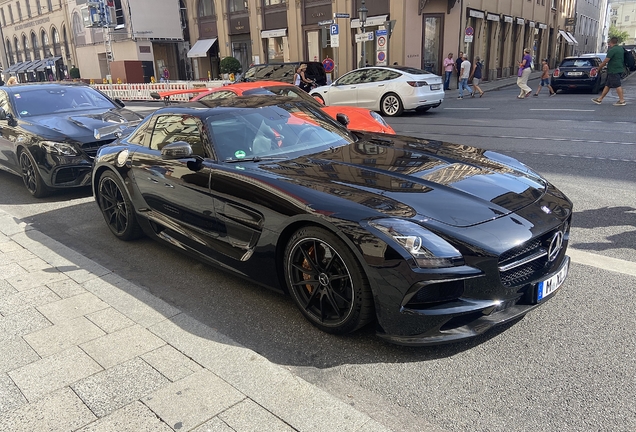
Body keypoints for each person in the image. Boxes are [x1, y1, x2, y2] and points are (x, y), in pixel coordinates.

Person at [592, 37, 626, 106]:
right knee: (607, 85)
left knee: (617, 85)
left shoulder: (612, 50)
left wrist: (598, 69)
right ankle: (600, 99)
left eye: (609, 43)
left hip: (614, 70)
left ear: (611, 42)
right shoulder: (620, 49)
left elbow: (605, 61)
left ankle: (622, 100)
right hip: (618, 69)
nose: (609, 44)